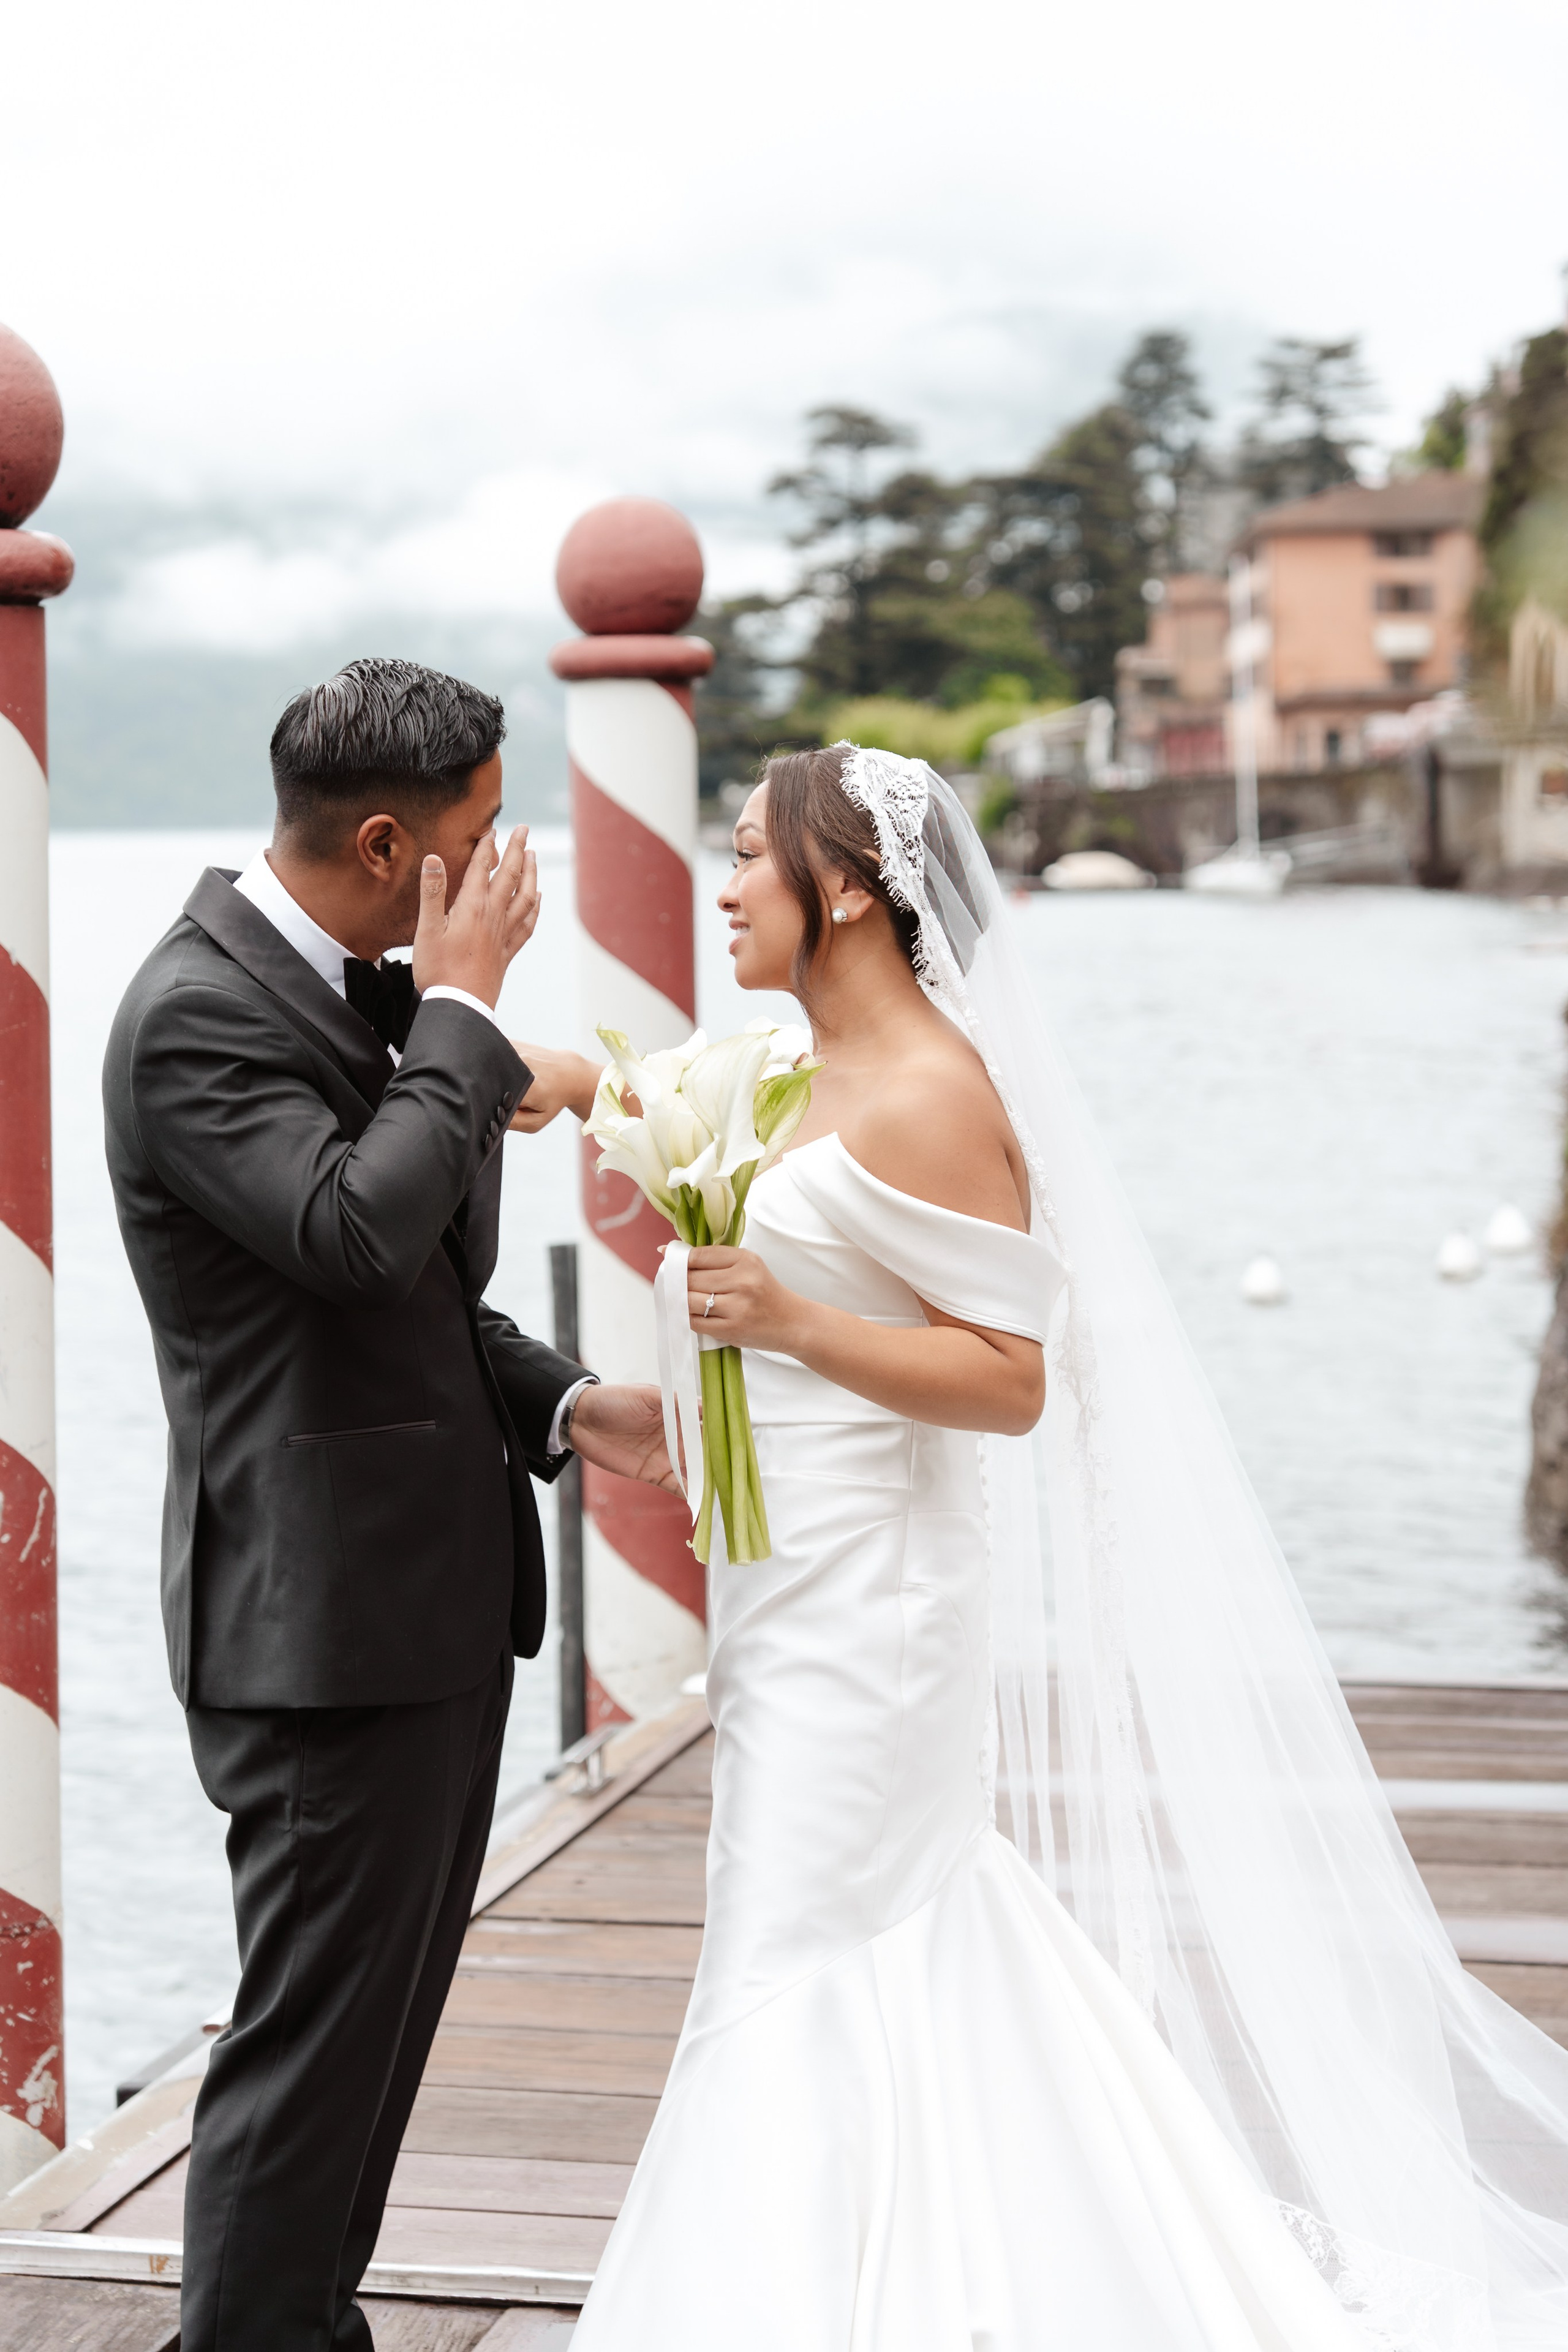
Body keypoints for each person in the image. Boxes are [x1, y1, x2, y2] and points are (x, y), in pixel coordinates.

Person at [557, 743, 1568, 2349]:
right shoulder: (766, 1074)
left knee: (800, 1935)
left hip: (878, 1618)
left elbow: (1013, 1379)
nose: (724, 882)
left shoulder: (937, 1097)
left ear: (846, 891)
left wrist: (797, 1323)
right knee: (866, 1934)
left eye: (750, 854)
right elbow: (629, 1096)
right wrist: (481, 1055)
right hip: (782, 1598)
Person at [102, 657, 671, 2352]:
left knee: (379, 2034)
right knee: (306, 2049)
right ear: (382, 842)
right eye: (486, 840)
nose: (509, 872)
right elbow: (353, 1231)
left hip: (419, 1605)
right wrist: (473, 1014)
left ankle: (305, 2326)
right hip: (313, 1633)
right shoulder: (197, 1017)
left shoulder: (367, 992)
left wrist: (565, 1403)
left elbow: (412, 1287)